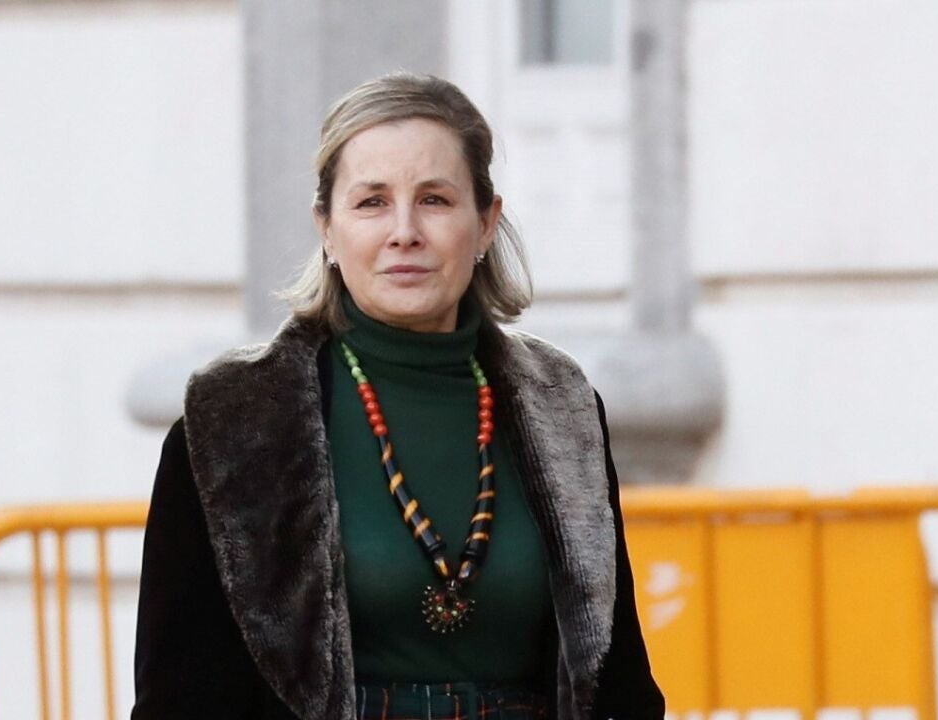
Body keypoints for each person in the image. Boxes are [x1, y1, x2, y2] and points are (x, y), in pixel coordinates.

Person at [132, 72, 664, 720]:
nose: (404, 231)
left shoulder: (562, 408)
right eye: (372, 202)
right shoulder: (233, 424)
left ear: (486, 222)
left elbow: (620, 685)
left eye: (435, 199)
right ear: (327, 228)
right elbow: (179, 700)